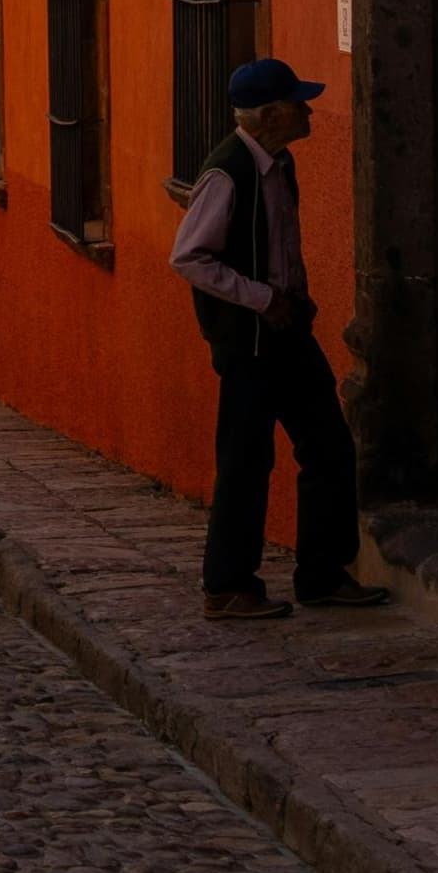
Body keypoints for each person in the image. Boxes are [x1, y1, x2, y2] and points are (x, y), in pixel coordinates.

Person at [169, 59, 390, 620]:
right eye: (298, 103)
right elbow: (189, 256)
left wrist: (291, 299)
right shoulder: (229, 173)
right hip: (249, 343)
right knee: (245, 461)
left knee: (329, 446)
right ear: (270, 115)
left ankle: (321, 574)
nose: (308, 109)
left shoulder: (278, 164)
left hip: (288, 334)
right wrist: (264, 299)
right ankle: (226, 586)